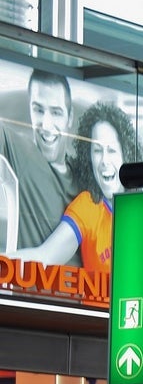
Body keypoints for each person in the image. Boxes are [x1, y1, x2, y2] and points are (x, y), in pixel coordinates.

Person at [14, 101, 143, 271]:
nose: (104, 161)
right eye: (97, 151)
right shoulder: (88, 206)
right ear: (88, 157)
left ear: (126, 154)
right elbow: (45, 256)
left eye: (111, 150)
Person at [0, 70, 79, 255]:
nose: (46, 124)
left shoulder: (84, 174)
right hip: (28, 273)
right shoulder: (19, 150)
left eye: (56, 112)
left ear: (70, 117)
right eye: (38, 110)